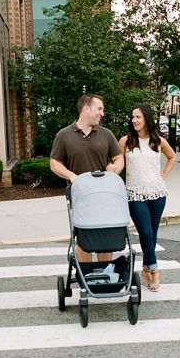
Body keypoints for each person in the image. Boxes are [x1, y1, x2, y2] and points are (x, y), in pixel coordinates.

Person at [50, 92, 124, 262]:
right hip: (80, 195)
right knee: (84, 237)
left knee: (105, 235)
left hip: (105, 194)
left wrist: (114, 168)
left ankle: (105, 271)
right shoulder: (64, 135)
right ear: (86, 109)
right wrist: (72, 176)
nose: (102, 113)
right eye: (99, 109)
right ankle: (86, 272)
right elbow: (54, 163)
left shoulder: (106, 134)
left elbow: (118, 158)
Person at [118, 103, 177, 291]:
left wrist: (164, 174)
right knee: (145, 232)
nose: (134, 120)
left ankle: (145, 269)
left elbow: (172, 157)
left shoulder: (158, 141)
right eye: (132, 117)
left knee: (152, 233)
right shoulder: (125, 141)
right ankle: (154, 270)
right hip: (135, 194)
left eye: (138, 117)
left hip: (157, 193)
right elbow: (117, 162)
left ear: (147, 119)